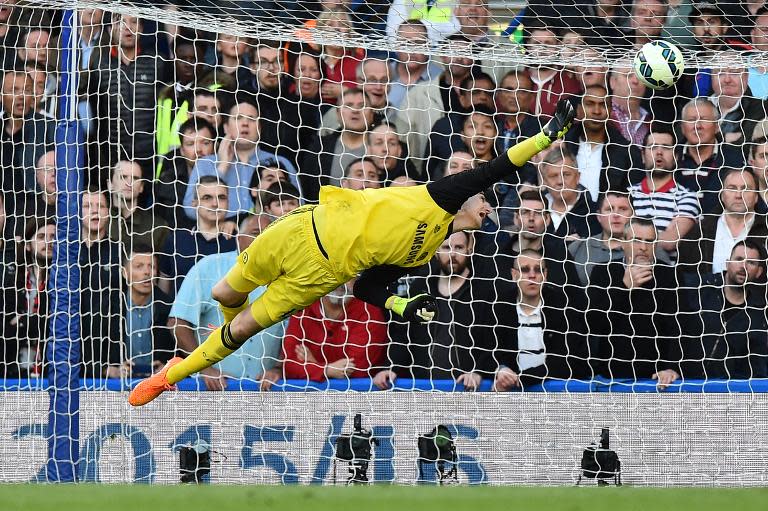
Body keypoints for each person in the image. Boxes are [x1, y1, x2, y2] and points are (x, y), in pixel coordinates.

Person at [128, 99, 577, 406]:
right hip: (302, 233)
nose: (488, 207)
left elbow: (366, 284)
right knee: (227, 296)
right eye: (486, 201)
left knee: (243, 326)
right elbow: (499, 166)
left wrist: (402, 303)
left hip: (321, 276)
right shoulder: (440, 196)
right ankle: (205, 341)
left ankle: (169, 376)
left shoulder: (420, 257)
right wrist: (546, 136)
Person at [373, 231, 501, 390]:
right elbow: (403, 336)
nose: (453, 254)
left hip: (468, 390)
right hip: (425, 389)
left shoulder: (483, 291)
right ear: (436, 251)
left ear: (469, 248)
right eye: (447, 247)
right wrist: (390, 368)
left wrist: (479, 372)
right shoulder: (420, 289)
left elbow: (493, 343)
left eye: (459, 247)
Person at [169, 214, 283, 390]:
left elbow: (296, 332)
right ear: (238, 236)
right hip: (213, 389)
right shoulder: (208, 267)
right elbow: (177, 322)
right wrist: (203, 367)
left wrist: (279, 368)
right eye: (255, 232)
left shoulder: (285, 276)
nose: (262, 239)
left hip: (264, 392)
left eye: (269, 234)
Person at [586, 217, 682, 387]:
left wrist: (672, 367)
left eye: (649, 241)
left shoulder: (670, 276)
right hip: (612, 376)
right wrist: (624, 287)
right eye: (636, 240)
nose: (643, 248)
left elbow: (679, 328)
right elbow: (595, 324)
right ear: (623, 242)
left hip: (657, 378)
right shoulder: (602, 272)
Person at [492, 249, 590, 390]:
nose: (532, 275)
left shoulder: (563, 308)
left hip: (556, 395)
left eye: (538, 270)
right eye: (525, 270)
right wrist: (501, 369)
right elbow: (488, 351)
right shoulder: (499, 307)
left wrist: (521, 379)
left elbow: (568, 361)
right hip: (510, 396)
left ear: (545, 275)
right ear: (514, 275)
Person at [183, 99, 298, 218]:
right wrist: (222, 167)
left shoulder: (280, 163)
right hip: (222, 234)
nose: (245, 123)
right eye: (238, 118)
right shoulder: (206, 163)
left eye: (251, 119)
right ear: (226, 128)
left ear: (259, 128)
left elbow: (299, 209)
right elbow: (190, 210)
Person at [680, 240, 768, 380]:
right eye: (739, 259)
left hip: (726, 392)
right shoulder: (697, 287)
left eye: (751, 262)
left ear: (759, 272)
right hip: (683, 384)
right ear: (728, 263)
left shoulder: (759, 316)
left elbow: (756, 368)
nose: (743, 266)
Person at [279, 278, 387, 383]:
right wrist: (327, 370)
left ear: (357, 278)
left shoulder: (369, 311)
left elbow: (356, 371)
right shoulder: (303, 307)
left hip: (359, 396)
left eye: (346, 275)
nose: (339, 282)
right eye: (331, 275)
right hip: (308, 394)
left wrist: (314, 364)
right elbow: (288, 365)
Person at [678, 168, 768, 277]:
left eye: (746, 189)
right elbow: (684, 275)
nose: (738, 195)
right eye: (732, 188)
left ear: (756, 197)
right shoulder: (700, 231)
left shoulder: (766, 229)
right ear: (722, 196)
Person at [160, 176, 237, 296]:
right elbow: (164, 284)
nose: (215, 204)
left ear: (228, 202)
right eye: (207, 198)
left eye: (221, 198)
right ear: (194, 203)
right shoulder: (176, 239)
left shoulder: (239, 240)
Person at [628, 126, 700, 255]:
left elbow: (670, 240)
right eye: (653, 147)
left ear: (676, 157)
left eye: (666, 147)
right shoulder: (626, 194)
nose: (659, 152)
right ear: (643, 156)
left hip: (665, 272)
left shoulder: (686, 197)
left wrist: (632, 238)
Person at [676, 98, 746, 214]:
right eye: (691, 120)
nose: (697, 126)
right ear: (682, 128)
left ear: (717, 126)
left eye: (704, 119)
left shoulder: (736, 161)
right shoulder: (671, 159)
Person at [115, 244, 173, 379]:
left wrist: (167, 366)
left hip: (159, 387)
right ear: (125, 273)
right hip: (117, 386)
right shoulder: (109, 308)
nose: (147, 272)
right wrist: (110, 370)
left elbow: (180, 354)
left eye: (151, 266)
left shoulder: (169, 308)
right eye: (139, 266)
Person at [108, 160, 169, 251]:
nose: (129, 183)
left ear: (141, 187)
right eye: (123, 177)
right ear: (110, 184)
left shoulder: (157, 227)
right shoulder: (99, 222)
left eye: (135, 178)